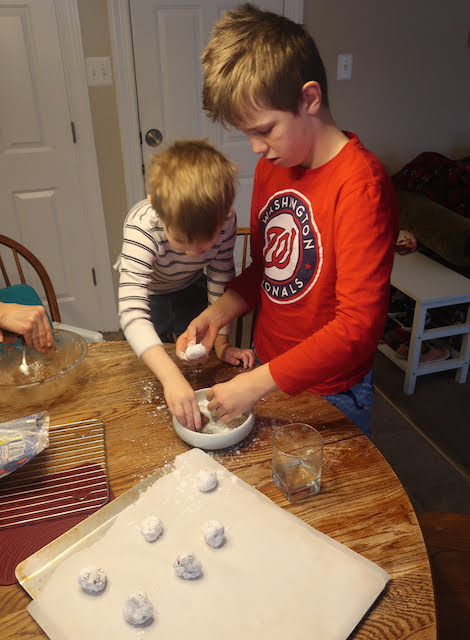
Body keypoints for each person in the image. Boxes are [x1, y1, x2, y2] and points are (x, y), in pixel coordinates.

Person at [176, 4, 399, 436]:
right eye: (248, 134)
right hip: (267, 367)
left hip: (331, 391)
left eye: (264, 130)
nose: (256, 148)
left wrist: (256, 383)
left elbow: (357, 328)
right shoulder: (273, 167)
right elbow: (267, 268)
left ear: (309, 99)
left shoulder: (361, 186)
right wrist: (216, 314)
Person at [116, 139, 254, 431]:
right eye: (181, 241)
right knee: (155, 369)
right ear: (157, 206)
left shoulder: (226, 219)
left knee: (196, 360)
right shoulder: (142, 227)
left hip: (192, 287)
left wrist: (222, 343)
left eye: (206, 243)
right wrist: (170, 378)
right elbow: (132, 313)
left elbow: (219, 275)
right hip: (151, 296)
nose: (194, 253)